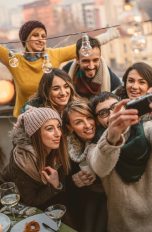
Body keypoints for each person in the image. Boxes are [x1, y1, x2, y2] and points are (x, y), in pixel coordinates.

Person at [0, 21, 119, 117]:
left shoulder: (53, 55)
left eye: (43, 36)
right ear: (25, 39)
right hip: (25, 117)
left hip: (52, 117)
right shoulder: (13, 60)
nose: (40, 39)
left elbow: (84, 46)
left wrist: (110, 35)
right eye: (35, 35)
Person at [87, 95, 152, 232]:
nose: (112, 114)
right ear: (98, 121)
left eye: (114, 107)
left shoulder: (146, 128)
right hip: (122, 225)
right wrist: (111, 138)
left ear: (125, 107)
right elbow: (100, 168)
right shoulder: (94, 147)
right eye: (103, 113)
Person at [2, 107, 70, 211]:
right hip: (15, 206)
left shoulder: (56, 150)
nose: (58, 134)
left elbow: (64, 190)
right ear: (35, 133)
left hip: (49, 204)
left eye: (58, 127)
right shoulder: (23, 162)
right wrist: (54, 185)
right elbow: (30, 202)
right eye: (49, 128)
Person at [62, 100, 107, 232]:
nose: (87, 125)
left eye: (89, 118)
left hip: (110, 195)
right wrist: (74, 181)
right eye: (79, 122)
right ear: (70, 127)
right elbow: (65, 185)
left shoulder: (104, 138)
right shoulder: (68, 147)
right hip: (88, 196)